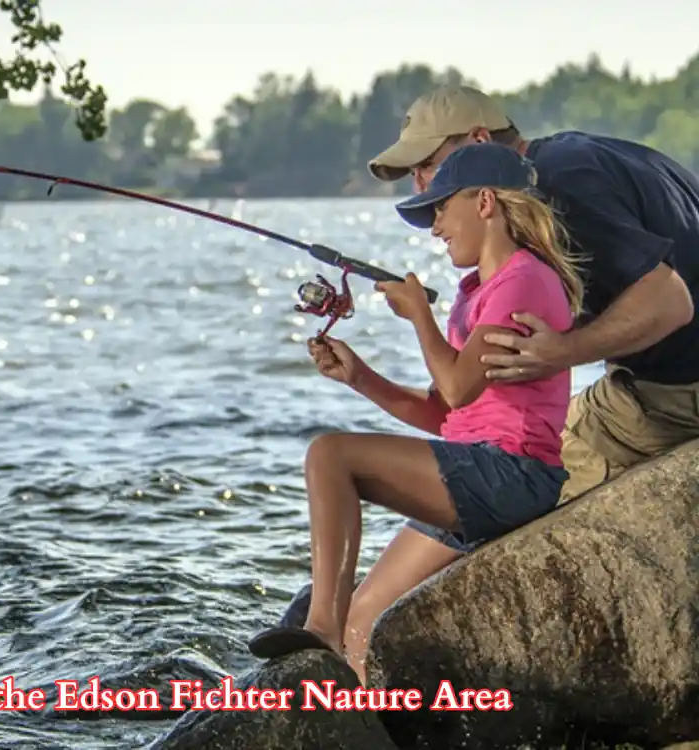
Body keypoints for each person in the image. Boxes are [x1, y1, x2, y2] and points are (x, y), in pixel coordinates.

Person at [247, 143, 585, 684]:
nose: (435, 227)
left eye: (441, 208)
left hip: (512, 475)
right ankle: (350, 711)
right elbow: (446, 417)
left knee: (330, 455)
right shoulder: (476, 293)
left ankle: (319, 626)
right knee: (363, 619)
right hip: (476, 468)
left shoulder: (524, 279)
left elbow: (455, 388)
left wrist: (420, 319)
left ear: (485, 203)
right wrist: (360, 377)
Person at [368, 85, 699, 505]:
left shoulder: (557, 185)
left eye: (428, 164)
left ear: (479, 141)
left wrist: (562, 350)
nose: (420, 186)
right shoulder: (570, 157)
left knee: (525, 479)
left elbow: (670, 301)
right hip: (661, 381)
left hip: (677, 392)